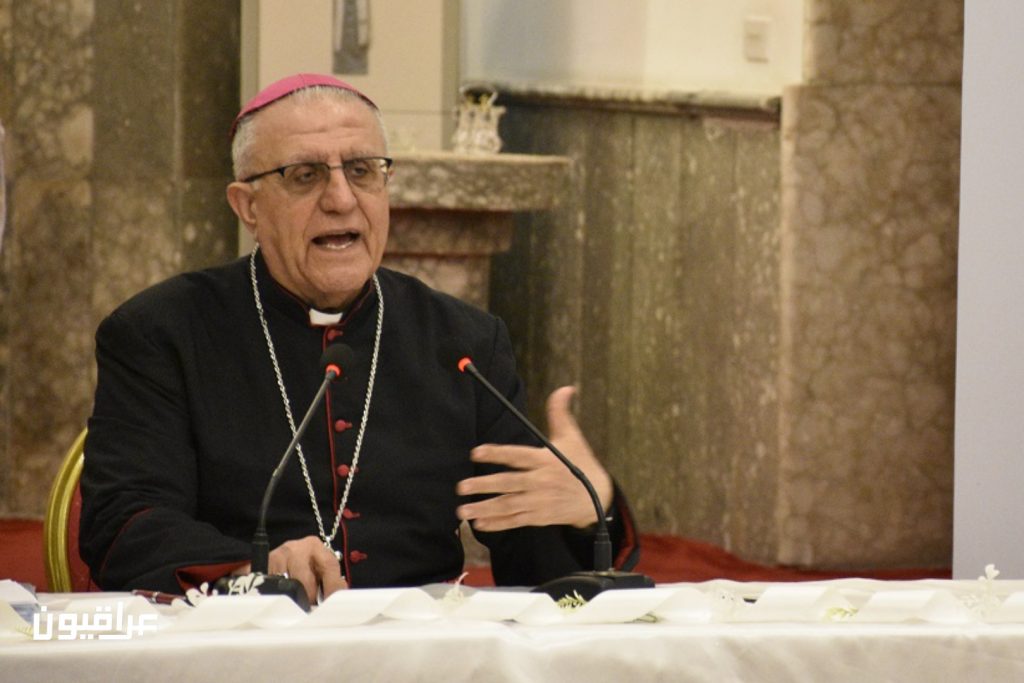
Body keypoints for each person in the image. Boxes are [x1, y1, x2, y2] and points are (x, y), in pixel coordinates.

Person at [80, 73, 638, 604]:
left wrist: (591, 509)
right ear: (248, 207)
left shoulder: (464, 342)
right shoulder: (162, 333)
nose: (342, 199)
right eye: (305, 175)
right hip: (243, 644)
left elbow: (540, 568)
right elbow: (124, 524)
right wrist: (253, 569)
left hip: (420, 652)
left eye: (363, 171)